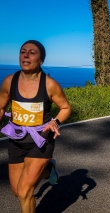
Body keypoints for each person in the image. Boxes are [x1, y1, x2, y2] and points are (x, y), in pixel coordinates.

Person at [0, 40, 71, 213]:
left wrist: (55, 121)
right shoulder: (10, 81)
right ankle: (48, 169)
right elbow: (1, 106)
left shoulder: (49, 84)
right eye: (23, 51)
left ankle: (45, 165)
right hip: (16, 140)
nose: (25, 55)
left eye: (32, 52)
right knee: (18, 192)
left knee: (25, 192)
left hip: (41, 141)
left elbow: (65, 108)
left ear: (41, 60)